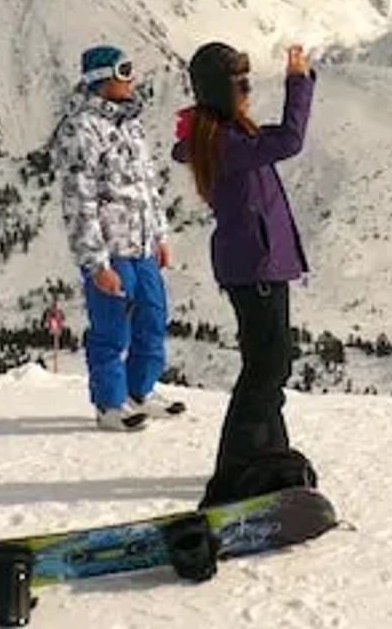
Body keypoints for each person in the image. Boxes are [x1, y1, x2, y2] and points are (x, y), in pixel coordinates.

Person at [171, 41, 319, 506]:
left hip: (259, 264)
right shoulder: (224, 143)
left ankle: (268, 457)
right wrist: (298, 81)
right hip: (254, 266)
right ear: (219, 90)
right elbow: (290, 140)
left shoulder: (225, 134)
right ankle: (233, 473)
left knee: (272, 365)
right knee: (264, 368)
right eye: (241, 84)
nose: (249, 91)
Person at [52, 44, 185, 431]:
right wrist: (95, 263)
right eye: (124, 70)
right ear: (101, 77)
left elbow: (147, 186)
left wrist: (159, 234)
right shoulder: (81, 128)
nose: (132, 78)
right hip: (111, 250)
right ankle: (110, 404)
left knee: (153, 318)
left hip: (142, 244)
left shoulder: (131, 124)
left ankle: (140, 391)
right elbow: (79, 199)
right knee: (111, 328)